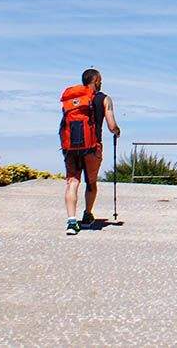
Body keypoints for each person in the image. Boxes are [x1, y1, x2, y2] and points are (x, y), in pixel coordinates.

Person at [63, 68, 120, 235]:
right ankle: (87, 215)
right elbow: (111, 126)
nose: (101, 82)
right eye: (100, 79)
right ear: (95, 80)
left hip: (71, 147)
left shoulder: (72, 99)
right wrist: (117, 131)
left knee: (72, 182)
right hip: (92, 146)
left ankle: (72, 222)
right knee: (91, 182)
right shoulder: (105, 99)